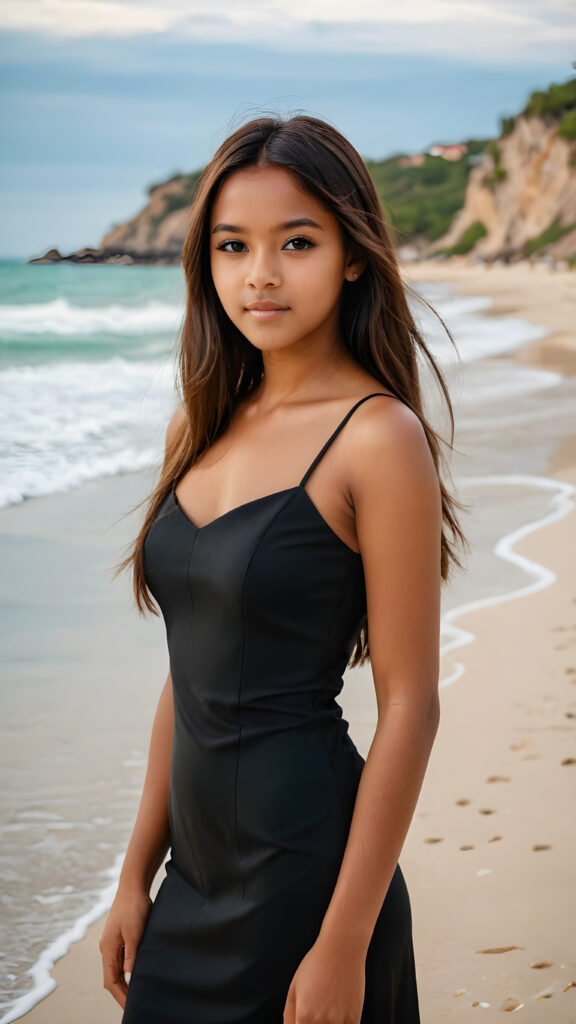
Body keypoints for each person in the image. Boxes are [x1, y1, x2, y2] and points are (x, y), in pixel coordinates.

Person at [99, 112, 468, 1024]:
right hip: (192, 882)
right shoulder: (204, 425)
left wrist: (345, 941)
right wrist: (133, 876)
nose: (260, 273)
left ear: (352, 257)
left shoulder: (378, 437)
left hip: (311, 880)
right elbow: (191, 672)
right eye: (233, 246)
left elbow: (411, 704)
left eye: (296, 242)